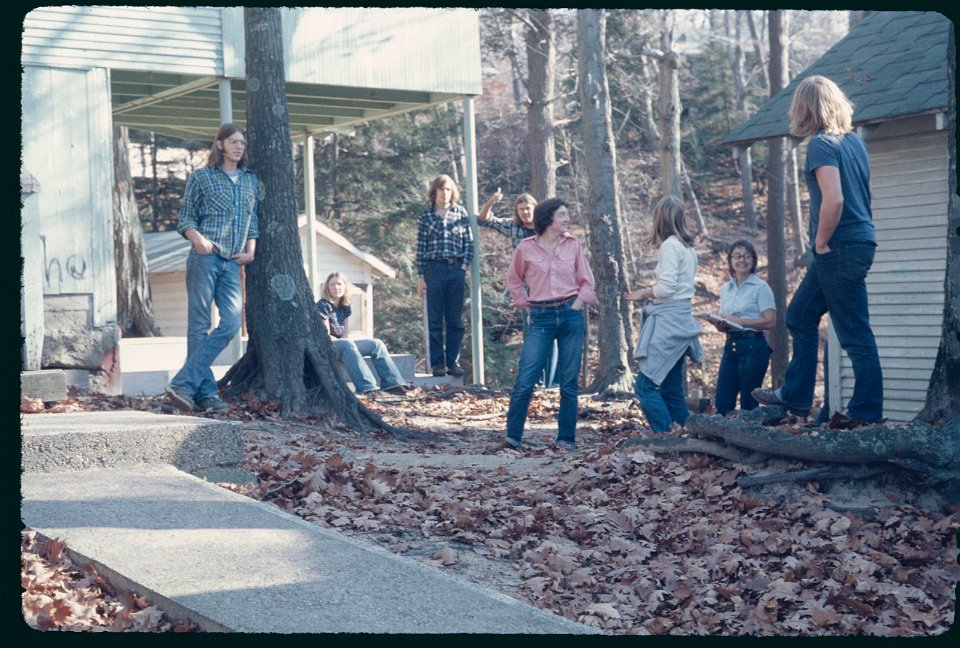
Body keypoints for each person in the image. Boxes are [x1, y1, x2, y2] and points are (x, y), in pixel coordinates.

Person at [752, 75, 883, 424]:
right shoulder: (854, 143)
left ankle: (866, 412)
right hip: (858, 242)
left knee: (854, 331)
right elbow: (866, 197)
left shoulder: (822, 145)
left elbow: (835, 199)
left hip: (838, 246)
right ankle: (795, 398)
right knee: (800, 315)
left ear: (805, 109)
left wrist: (821, 240)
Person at [165, 123, 259, 413]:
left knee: (231, 323)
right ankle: (205, 394)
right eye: (233, 142)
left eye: (242, 142)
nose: (239, 147)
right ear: (220, 145)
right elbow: (186, 218)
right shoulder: (202, 177)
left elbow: (252, 220)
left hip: (232, 262)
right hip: (205, 257)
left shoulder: (249, 179)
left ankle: (183, 383)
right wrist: (199, 241)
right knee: (199, 325)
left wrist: (250, 252)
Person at [492, 197, 598, 451]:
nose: (567, 218)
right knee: (526, 379)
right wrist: (524, 303)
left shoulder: (573, 245)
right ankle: (512, 437)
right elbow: (513, 279)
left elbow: (587, 281)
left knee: (569, 381)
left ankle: (565, 439)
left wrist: (577, 305)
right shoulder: (526, 248)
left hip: (570, 314)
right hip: (540, 316)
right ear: (548, 218)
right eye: (562, 214)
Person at [624, 195, 703, 433]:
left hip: (669, 321)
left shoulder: (670, 246)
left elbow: (666, 289)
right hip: (681, 318)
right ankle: (688, 435)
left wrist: (643, 293)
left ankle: (666, 435)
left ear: (660, 218)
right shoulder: (688, 248)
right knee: (671, 388)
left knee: (645, 387)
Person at [478, 189, 557, 387]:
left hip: (551, 287)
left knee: (553, 333)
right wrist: (491, 202)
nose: (524, 213)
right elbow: (484, 220)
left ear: (535, 209)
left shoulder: (547, 228)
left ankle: (553, 381)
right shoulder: (514, 227)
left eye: (528, 208)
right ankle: (537, 380)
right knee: (533, 333)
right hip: (527, 288)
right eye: (521, 209)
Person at [316, 272, 412, 396]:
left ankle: (392, 384)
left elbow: (345, 334)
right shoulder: (323, 305)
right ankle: (367, 387)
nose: (336, 287)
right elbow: (325, 336)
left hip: (342, 345)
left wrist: (351, 348)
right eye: (332, 284)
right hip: (327, 345)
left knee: (376, 344)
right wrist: (348, 344)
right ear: (327, 288)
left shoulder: (345, 306)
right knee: (347, 343)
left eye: (339, 284)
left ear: (345, 286)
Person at [708, 240, 776, 415]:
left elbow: (770, 322)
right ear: (730, 261)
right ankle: (721, 442)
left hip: (753, 348)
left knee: (749, 405)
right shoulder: (725, 289)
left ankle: (749, 441)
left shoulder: (761, 287)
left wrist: (738, 320)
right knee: (723, 404)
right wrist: (720, 325)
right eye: (737, 256)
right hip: (731, 346)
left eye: (747, 256)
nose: (742, 260)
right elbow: (728, 322)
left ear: (753, 260)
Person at [416, 174, 473, 377]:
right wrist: (421, 276)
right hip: (434, 270)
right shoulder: (426, 217)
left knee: (455, 320)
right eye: (441, 189)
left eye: (448, 189)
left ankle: (453, 362)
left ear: (453, 192)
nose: (444, 193)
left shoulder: (461, 214)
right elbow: (420, 249)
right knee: (434, 320)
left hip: (455, 269)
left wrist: (463, 267)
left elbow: (469, 243)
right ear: (434, 192)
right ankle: (437, 364)